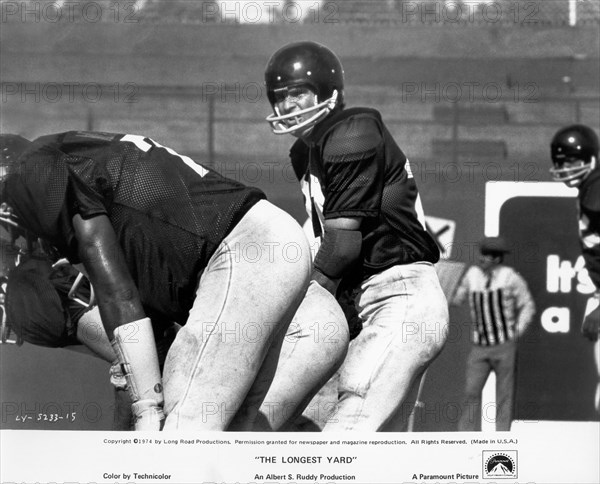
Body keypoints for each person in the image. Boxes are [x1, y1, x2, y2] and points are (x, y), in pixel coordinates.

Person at [0, 130, 314, 431]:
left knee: (183, 428)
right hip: (292, 300)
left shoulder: (30, 169)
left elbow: (117, 294)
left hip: (249, 260)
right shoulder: (84, 171)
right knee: (226, 447)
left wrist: (146, 408)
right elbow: (147, 349)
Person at [263, 41, 449, 431]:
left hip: (399, 297)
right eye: (280, 96)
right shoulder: (305, 151)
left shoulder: (353, 131)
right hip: (360, 302)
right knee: (324, 434)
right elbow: (320, 241)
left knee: (348, 426)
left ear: (329, 91)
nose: (289, 105)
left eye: (299, 92)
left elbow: (342, 247)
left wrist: (293, 313)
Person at [453, 236, 536, 431]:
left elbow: (527, 305)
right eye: (482, 254)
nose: (482, 258)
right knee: (471, 392)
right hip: (479, 347)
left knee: (504, 394)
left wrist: (516, 331)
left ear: (497, 259)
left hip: (504, 346)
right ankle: (464, 437)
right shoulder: (472, 275)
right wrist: (444, 284)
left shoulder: (510, 277)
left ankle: (502, 438)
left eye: (487, 255)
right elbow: (457, 299)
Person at [550, 124, 600, 412]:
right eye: (562, 162)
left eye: (573, 161)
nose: (567, 168)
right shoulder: (589, 188)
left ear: (591, 159)